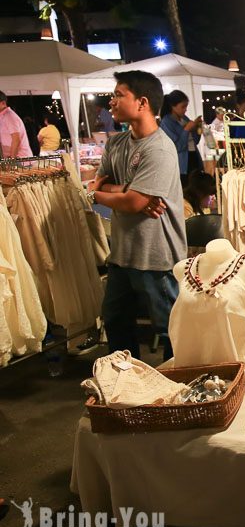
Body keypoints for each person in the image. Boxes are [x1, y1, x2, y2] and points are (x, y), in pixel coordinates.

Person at [87, 70, 187, 361]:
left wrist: (98, 195)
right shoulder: (116, 143)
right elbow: (103, 183)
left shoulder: (160, 149)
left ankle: (177, 390)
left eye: (119, 95)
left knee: (171, 329)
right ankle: (126, 387)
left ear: (142, 102)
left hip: (157, 258)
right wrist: (123, 190)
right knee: (116, 322)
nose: (112, 102)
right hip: (121, 254)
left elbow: (132, 202)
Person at [160, 89, 203, 181]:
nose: (185, 110)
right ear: (173, 106)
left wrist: (197, 129)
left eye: (186, 106)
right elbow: (177, 147)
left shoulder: (184, 118)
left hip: (193, 156)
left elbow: (195, 141)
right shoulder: (167, 122)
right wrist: (187, 129)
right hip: (182, 164)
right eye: (183, 107)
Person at [0, 90, 32, 159]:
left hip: (20, 160)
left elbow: (16, 139)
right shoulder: (3, 116)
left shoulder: (9, 115)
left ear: (3, 103)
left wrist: (11, 160)